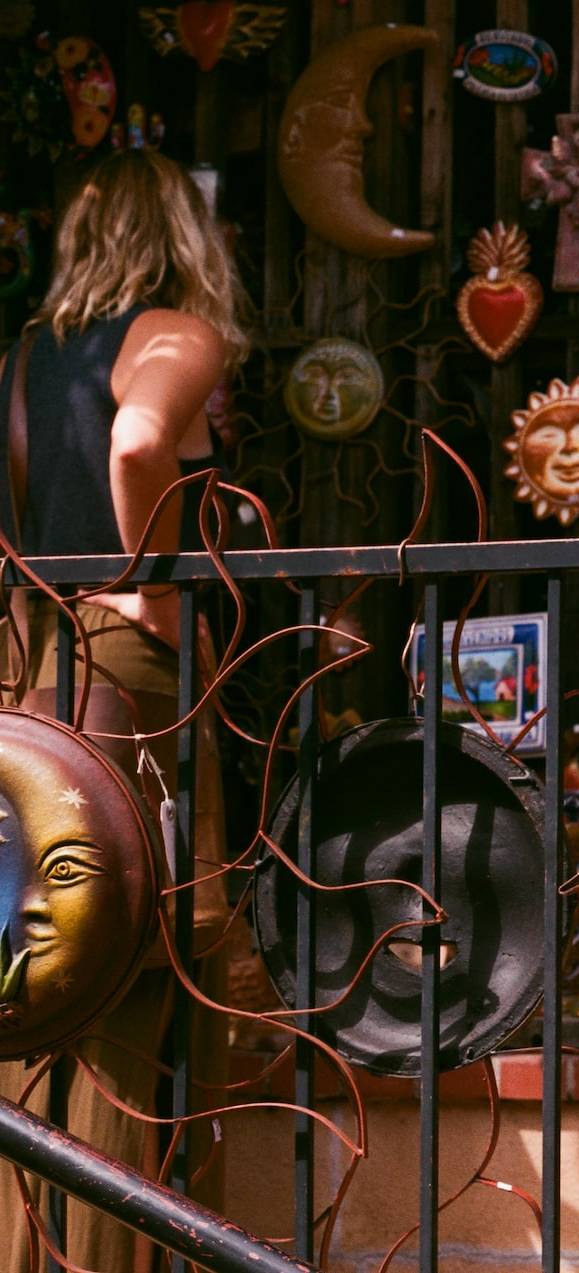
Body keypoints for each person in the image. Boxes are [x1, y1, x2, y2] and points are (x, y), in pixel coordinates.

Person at [0, 148, 244, 1272]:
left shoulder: (26, 362)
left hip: (38, 678)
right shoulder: (176, 332)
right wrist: (154, 583)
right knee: (138, 978)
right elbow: (140, 440)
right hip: (129, 676)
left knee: (39, 984)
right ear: (181, 232)